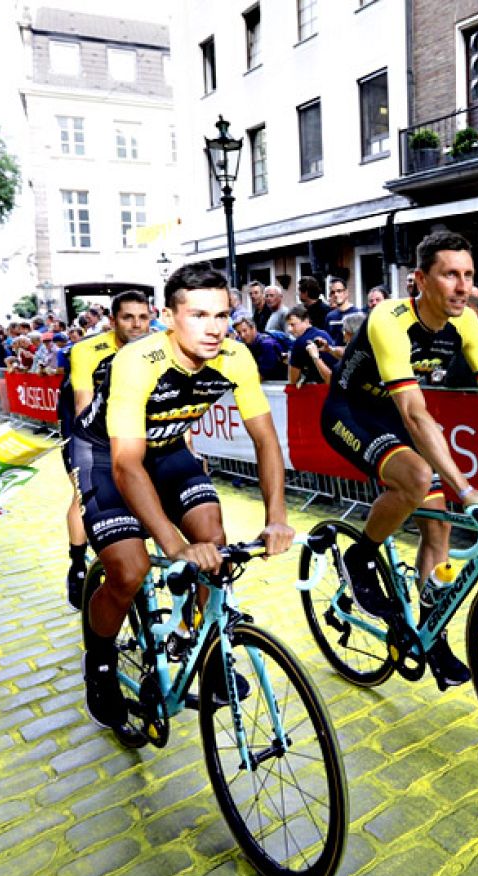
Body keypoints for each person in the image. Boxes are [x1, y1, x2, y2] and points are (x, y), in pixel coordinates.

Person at [319, 232, 478, 690]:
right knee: (419, 476)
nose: (463, 286)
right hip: (351, 412)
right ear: (421, 280)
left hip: (393, 412)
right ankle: (360, 556)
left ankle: (432, 633)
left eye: (468, 275)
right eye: (450, 275)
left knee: (439, 526)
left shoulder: (466, 323)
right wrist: (465, 489)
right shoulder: (389, 318)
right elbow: (414, 412)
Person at [78, 266, 293, 729]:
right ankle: (99, 663)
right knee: (130, 570)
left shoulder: (235, 357)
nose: (214, 328)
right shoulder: (138, 361)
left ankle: (207, 647)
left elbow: (266, 441)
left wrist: (276, 517)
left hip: (168, 448)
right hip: (104, 453)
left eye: (222, 315)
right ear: (168, 316)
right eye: (198, 315)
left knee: (213, 541)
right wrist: (175, 547)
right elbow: (126, 464)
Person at [60, 293, 154, 612]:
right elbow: (83, 406)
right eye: (128, 317)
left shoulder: (157, 347)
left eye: (143, 317)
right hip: (84, 427)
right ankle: (77, 564)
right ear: (113, 321)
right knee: (86, 494)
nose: (137, 325)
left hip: (128, 422)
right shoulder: (87, 350)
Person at [286, 308, 334, 386]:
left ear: (306, 321)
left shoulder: (300, 342)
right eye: (288, 325)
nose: (289, 329)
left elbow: (292, 380)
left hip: (317, 388)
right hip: (333, 385)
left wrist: (290, 359)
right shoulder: (324, 334)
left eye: (293, 325)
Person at [234, 314, 287, 381]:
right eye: (239, 333)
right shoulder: (245, 345)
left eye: (245, 330)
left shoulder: (267, 345)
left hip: (278, 383)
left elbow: (261, 375)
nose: (242, 335)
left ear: (253, 328)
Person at [324, 277, 354, 344]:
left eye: (339, 291)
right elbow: (327, 340)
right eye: (332, 292)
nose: (336, 294)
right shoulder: (330, 316)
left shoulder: (357, 314)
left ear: (346, 292)